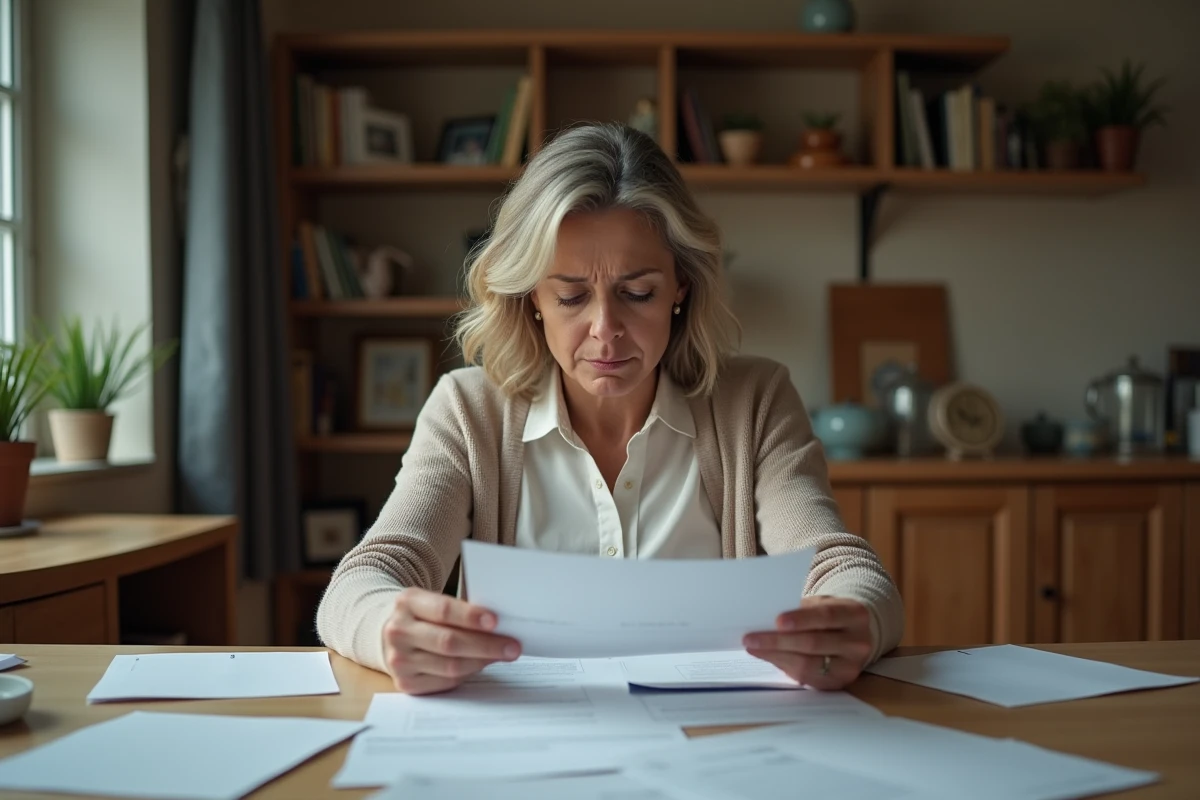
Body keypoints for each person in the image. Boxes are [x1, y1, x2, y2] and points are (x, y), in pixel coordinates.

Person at [316, 122, 904, 696]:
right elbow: (366, 579)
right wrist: (385, 627)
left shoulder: (755, 402)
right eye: (571, 296)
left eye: (638, 292)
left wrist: (855, 619)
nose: (606, 331)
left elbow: (842, 566)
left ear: (682, 288)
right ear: (532, 300)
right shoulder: (468, 411)